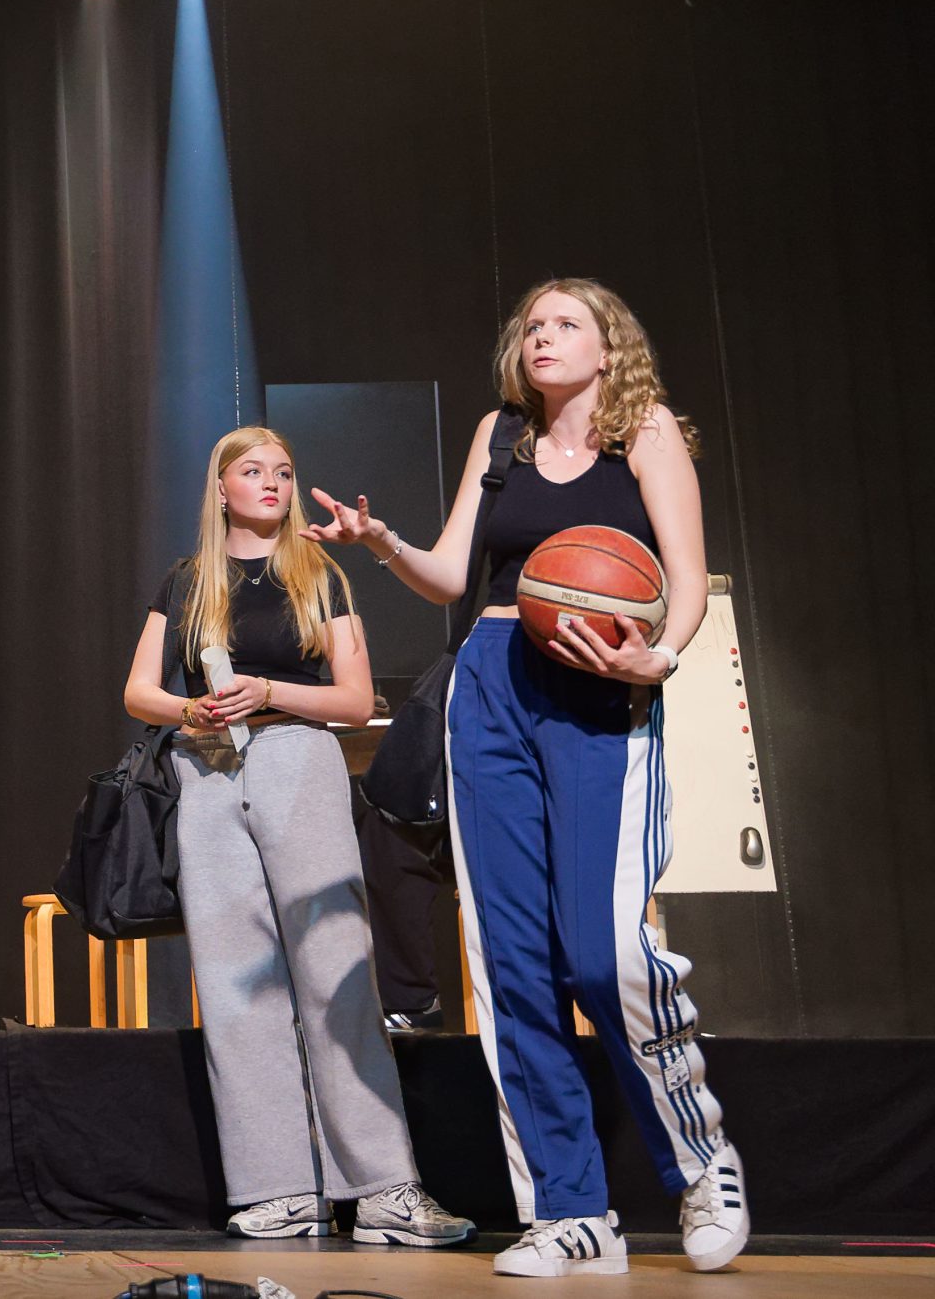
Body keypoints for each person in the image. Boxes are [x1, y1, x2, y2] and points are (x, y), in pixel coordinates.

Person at [307, 277, 750, 1277]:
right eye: (533, 325)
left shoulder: (646, 434)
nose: (542, 336)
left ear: (608, 346)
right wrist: (382, 543)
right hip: (491, 681)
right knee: (509, 963)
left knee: (604, 954)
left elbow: (684, 576)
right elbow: (452, 574)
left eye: (565, 324)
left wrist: (657, 657)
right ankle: (568, 1208)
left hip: (601, 684)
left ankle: (701, 1160)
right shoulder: (499, 435)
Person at [123, 426, 473, 1251]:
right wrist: (193, 707)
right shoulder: (187, 580)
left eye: (282, 471)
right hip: (207, 770)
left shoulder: (319, 574)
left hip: (299, 762)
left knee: (336, 973)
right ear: (220, 487)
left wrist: (267, 690)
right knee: (236, 986)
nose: (272, 483)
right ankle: (277, 1189)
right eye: (253, 470)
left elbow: (354, 700)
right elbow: (139, 690)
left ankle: (382, 1188)